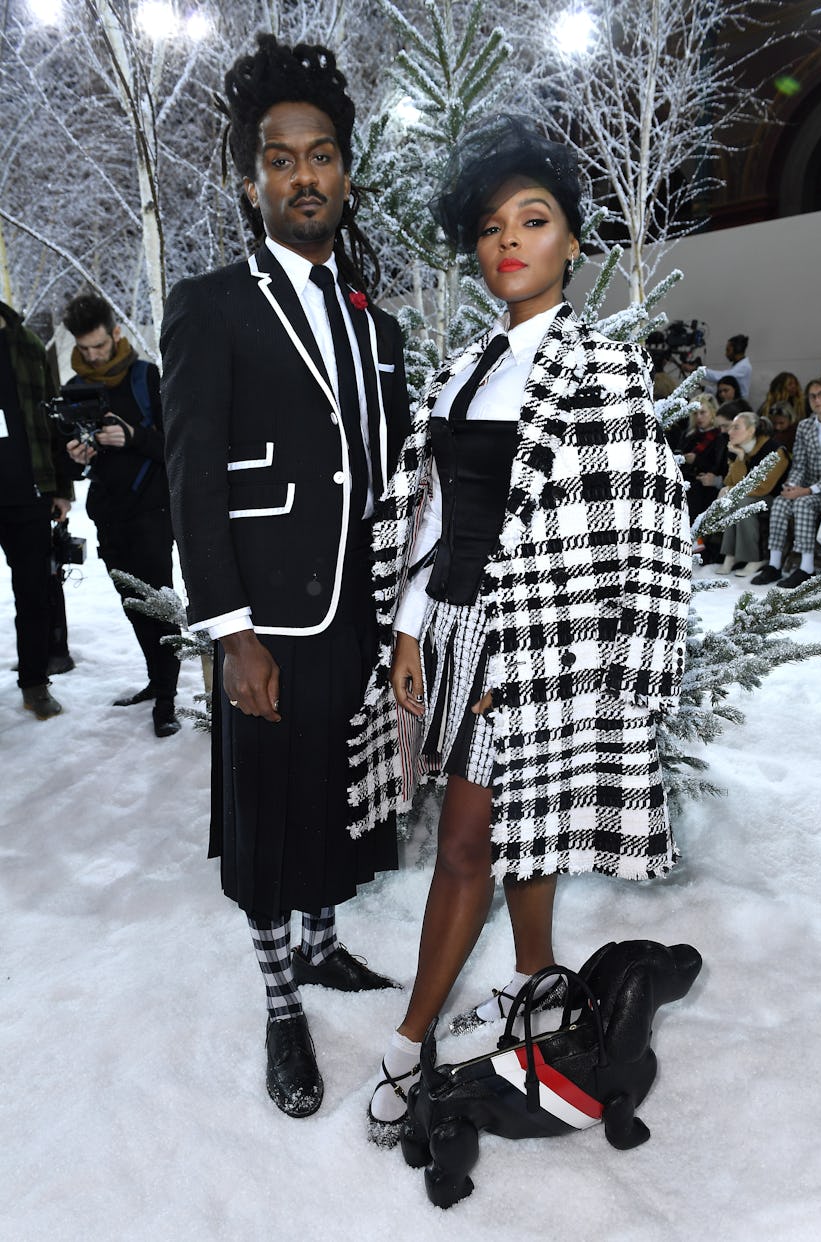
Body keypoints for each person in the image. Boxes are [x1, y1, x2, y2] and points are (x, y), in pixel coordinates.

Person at [352, 114, 691, 1144]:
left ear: (573, 242)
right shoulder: (466, 368)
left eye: (534, 220)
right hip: (451, 630)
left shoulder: (605, 369)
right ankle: (538, 980)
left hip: (536, 640)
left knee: (466, 844)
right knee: (520, 821)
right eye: (495, 224)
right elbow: (437, 519)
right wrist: (410, 630)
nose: (511, 240)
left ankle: (411, 1039)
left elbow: (644, 530)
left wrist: (600, 666)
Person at [160, 36, 410, 1119]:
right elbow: (190, 481)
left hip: (357, 614)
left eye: (320, 156)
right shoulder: (211, 304)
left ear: (346, 170)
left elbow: (396, 472)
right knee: (267, 818)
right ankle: (279, 1004)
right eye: (279, 159)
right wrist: (230, 632)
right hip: (268, 622)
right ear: (252, 176)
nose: (302, 176)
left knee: (334, 805)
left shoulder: (376, 322)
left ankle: (321, 946)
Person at [62, 293, 180, 737]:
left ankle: (167, 701)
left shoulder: (145, 378)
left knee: (159, 604)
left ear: (115, 333)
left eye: (98, 345)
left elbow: (175, 443)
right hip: (109, 516)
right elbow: (70, 463)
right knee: (133, 608)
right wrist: (75, 455)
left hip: (152, 511)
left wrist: (131, 437)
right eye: (85, 348)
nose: (92, 355)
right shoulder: (73, 389)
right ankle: (156, 680)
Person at [0, 300, 73, 718]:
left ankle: (34, 684)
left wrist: (61, 487)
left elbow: (53, 416)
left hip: (27, 494)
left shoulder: (26, 345)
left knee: (33, 594)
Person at [752, 377, 821, 588]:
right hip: (805, 486)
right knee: (781, 501)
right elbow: (799, 463)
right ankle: (774, 564)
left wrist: (805, 491)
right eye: (812, 395)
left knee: (802, 503)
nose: (817, 399)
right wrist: (791, 486)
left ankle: (806, 567)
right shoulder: (804, 426)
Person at [714, 410, 789, 578]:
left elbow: (763, 488)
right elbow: (730, 481)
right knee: (735, 499)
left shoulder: (775, 450)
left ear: (751, 431)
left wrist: (732, 491)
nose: (729, 431)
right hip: (749, 495)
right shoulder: (737, 449)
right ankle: (730, 555)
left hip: (775, 498)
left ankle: (755, 558)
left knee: (743, 501)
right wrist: (740, 458)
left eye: (736, 428)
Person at [680, 394, 731, 521]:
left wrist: (696, 460)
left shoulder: (721, 436)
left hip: (705, 484)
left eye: (703, 412)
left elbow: (718, 466)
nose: (699, 417)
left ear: (713, 412)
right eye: (695, 413)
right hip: (685, 478)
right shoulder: (689, 434)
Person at [685, 334, 752, 400]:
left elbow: (720, 377)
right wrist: (703, 388)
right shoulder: (738, 366)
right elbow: (723, 387)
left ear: (737, 349)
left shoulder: (744, 367)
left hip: (738, 405)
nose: (726, 354)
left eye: (728, 350)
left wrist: (697, 370)